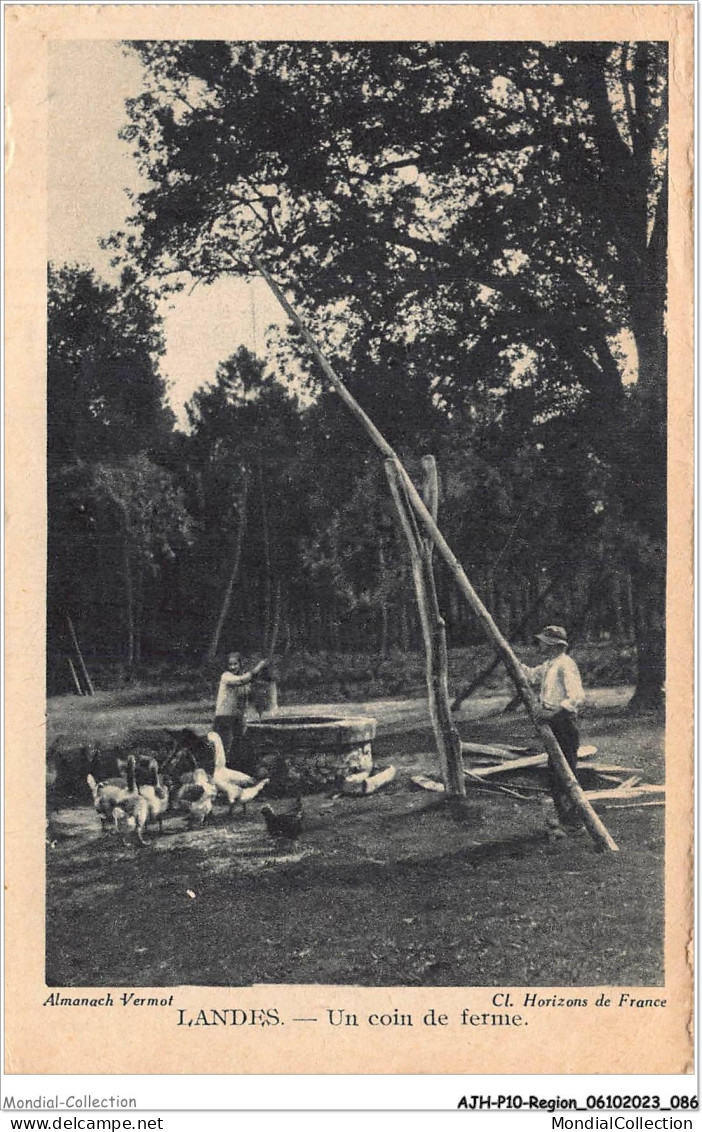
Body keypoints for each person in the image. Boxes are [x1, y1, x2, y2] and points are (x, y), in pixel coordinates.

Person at [521, 624, 585, 831]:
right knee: (554, 772)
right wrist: (512, 661)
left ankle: (575, 821)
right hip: (554, 722)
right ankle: (565, 818)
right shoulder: (550, 664)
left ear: (552, 645)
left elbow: (576, 696)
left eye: (542, 642)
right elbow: (530, 676)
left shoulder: (566, 664)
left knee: (565, 772)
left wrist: (552, 713)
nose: (539, 645)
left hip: (564, 722)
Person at [213, 651, 268, 769]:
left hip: (237, 718)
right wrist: (259, 667)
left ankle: (238, 769)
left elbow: (248, 694)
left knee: (238, 746)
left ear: (240, 664)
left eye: (235, 664)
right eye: (230, 665)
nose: (232, 667)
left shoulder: (242, 679)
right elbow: (242, 680)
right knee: (224, 747)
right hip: (224, 718)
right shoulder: (226, 676)